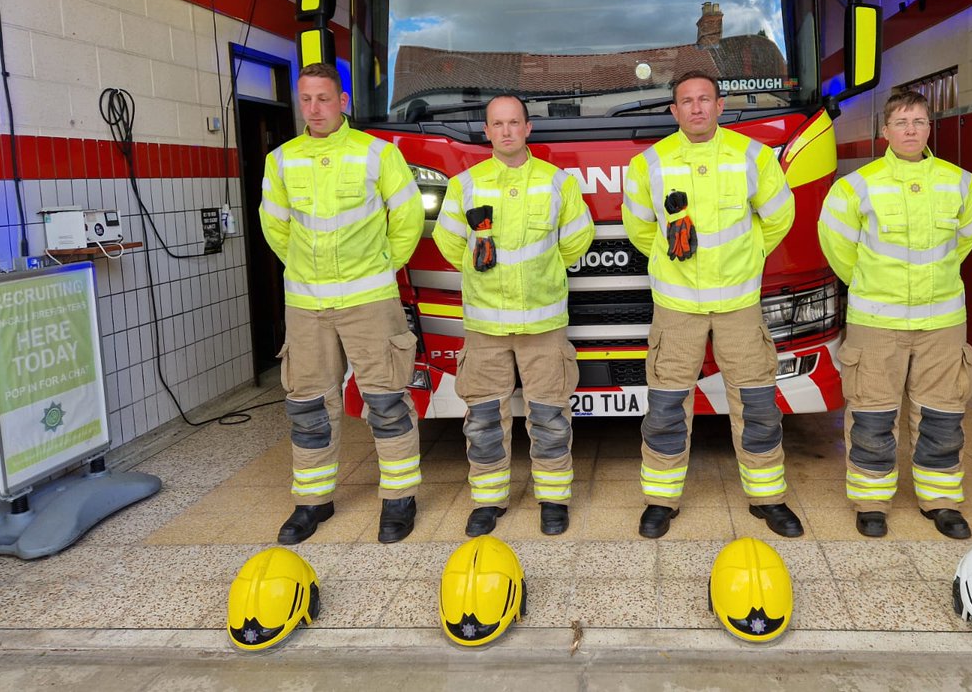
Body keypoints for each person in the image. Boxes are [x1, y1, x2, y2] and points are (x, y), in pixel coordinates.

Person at [621, 70, 801, 540]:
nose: (697, 108)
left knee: (757, 401)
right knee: (665, 404)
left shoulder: (753, 156)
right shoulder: (650, 164)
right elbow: (641, 230)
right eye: (687, 101)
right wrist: (671, 261)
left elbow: (780, 215)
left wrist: (750, 255)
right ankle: (661, 501)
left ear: (720, 107)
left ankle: (768, 497)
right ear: (674, 111)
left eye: (705, 99)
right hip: (677, 305)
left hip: (739, 301)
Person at [259, 62, 425, 545]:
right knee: (308, 404)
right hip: (307, 304)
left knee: (387, 400)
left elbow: (408, 215)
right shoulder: (281, 160)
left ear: (343, 102)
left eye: (324, 98)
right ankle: (313, 501)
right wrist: (305, 270)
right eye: (306, 99)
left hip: (370, 299)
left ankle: (399, 500)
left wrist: (383, 262)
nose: (314, 109)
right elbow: (276, 226)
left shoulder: (377, 153)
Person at [817, 89, 972, 539]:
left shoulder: (961, 183)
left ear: (930, 128)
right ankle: (871, 502)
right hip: (877, 322)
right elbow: (837, 246)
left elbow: (964, 241)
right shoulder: (856, 186)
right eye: (902, 122)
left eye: (919, 121)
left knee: (942, 414)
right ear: (884, 131)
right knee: (872, 414)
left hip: (942, 322)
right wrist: (871, 284)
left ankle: (941, 501)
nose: (911, 130)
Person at [432, 95, 594, 537]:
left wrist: (540, 274)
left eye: (514, 123)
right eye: (497, 124)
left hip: (543, 324)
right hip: (485, 325)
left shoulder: (557, 182)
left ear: (528, 128)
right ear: (487, 132)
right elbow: (450, 245)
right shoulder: (464, 185)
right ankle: (488, 501)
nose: (506, 131)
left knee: (549, 414)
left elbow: (577, 240)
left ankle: (553, 498)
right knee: (484, 417)